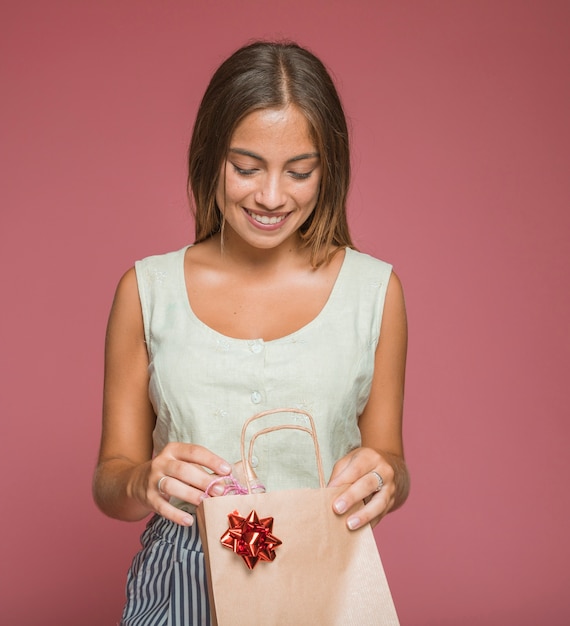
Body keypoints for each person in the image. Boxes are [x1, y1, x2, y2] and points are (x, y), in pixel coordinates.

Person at [93, 40, 409, 625]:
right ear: (210, 158)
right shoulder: (146, 291)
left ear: (328, 169)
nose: (270, 196)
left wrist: (384, 478)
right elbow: (112, 477)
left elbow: (390, 458)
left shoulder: (374, 293)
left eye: (300, 171)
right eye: (246, 167)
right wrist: (144, 478)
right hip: (183, 580)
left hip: (323, 570)